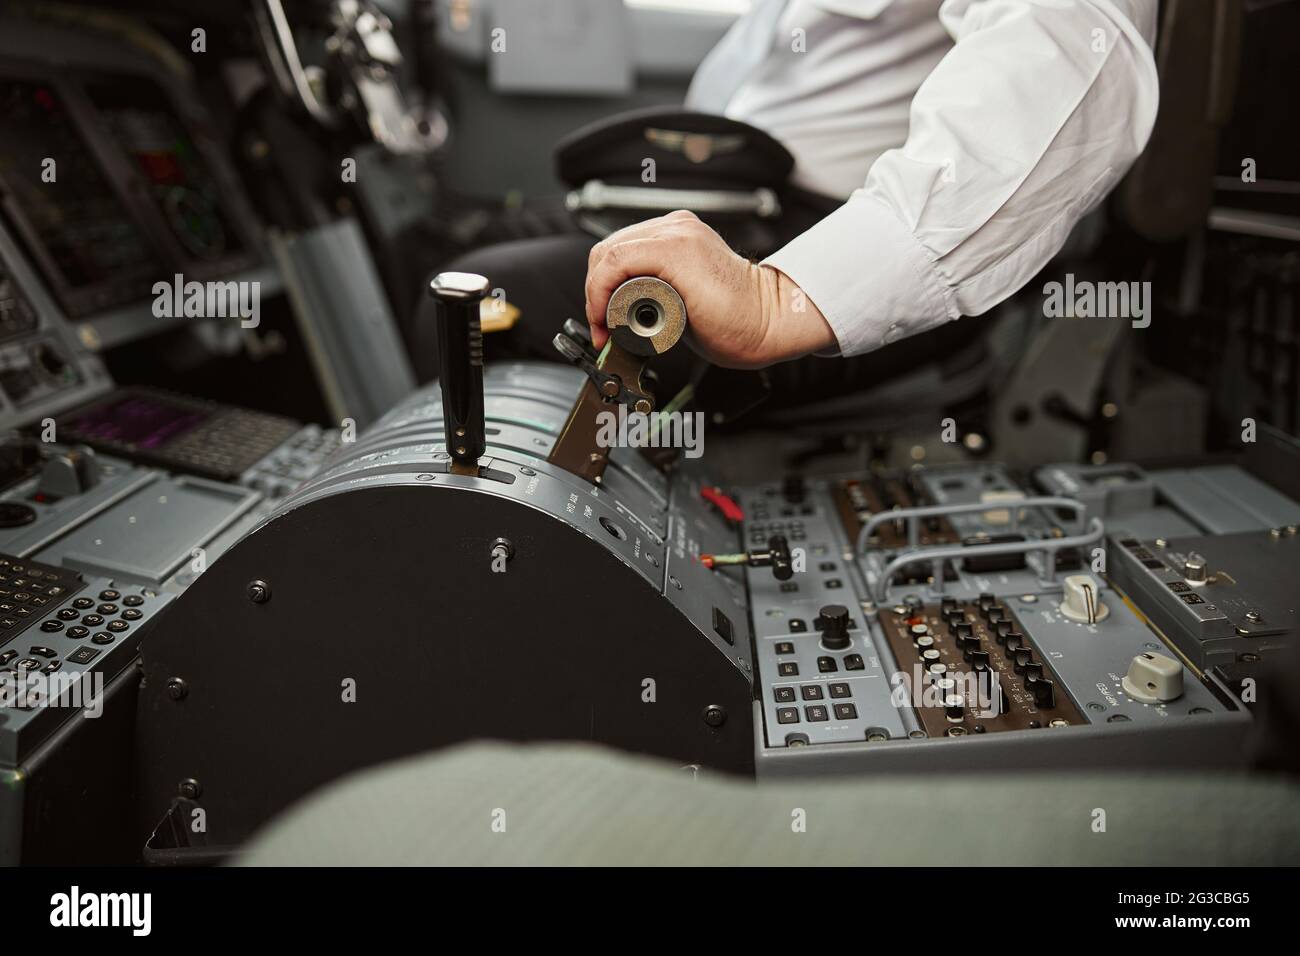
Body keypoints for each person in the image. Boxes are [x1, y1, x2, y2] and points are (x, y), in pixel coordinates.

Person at [422, 0, 1159, 390]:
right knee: (435, 246)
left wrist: (781, 298)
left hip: (816, 239)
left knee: (477, 300)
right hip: (739, 201)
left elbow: (1076, 51)